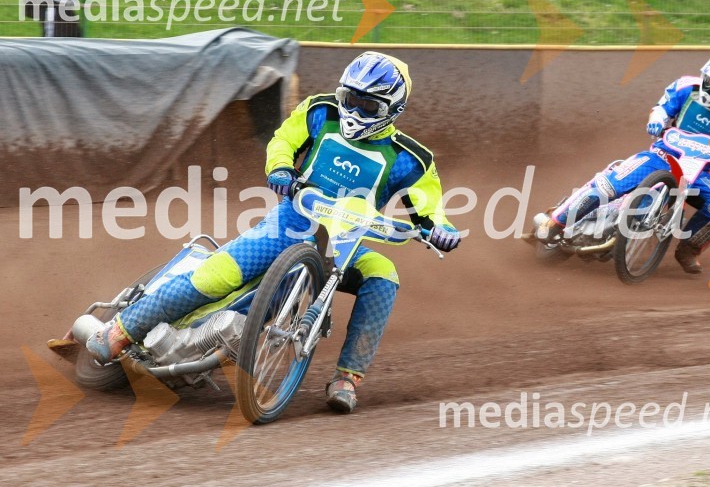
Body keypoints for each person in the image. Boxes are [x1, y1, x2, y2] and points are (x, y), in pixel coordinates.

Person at [86, 51, 461, 413]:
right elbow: (284, 140)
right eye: (351, 98)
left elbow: (430, 209)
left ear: (392, 110)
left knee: (384, 274)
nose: (354, 110)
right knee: (218, 275)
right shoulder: (320, 109)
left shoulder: (413, 159)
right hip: (291, 223)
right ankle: (121, 330)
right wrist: (281, 168)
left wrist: (440, 230)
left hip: (345, 246)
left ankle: (348, 378)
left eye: (369, 106)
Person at [540, 50, 710, 273]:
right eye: (708, 79)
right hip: (660, 157)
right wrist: (658, 119)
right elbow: (663, 107)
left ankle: (689, 250)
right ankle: (556, 223)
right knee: (609, 185)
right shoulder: (686, 87)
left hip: (698, 175)